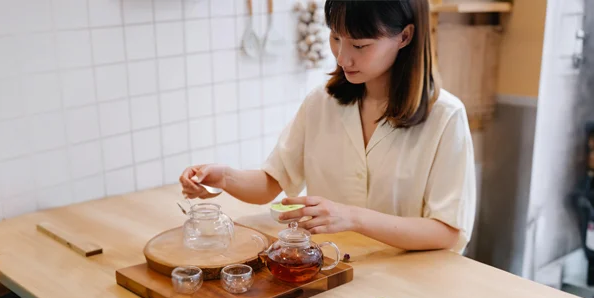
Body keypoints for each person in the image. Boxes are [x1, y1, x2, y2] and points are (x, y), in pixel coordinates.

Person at [180, 0, 476, 254]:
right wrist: (224, 178)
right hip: (329, 271)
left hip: (404, 291)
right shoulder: (321, 102)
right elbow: (271, 182)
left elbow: (447, 231)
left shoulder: (445, 118)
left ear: (405, 36)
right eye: (336, 38)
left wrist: (353, 218)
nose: (343, 57)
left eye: (360, 45)